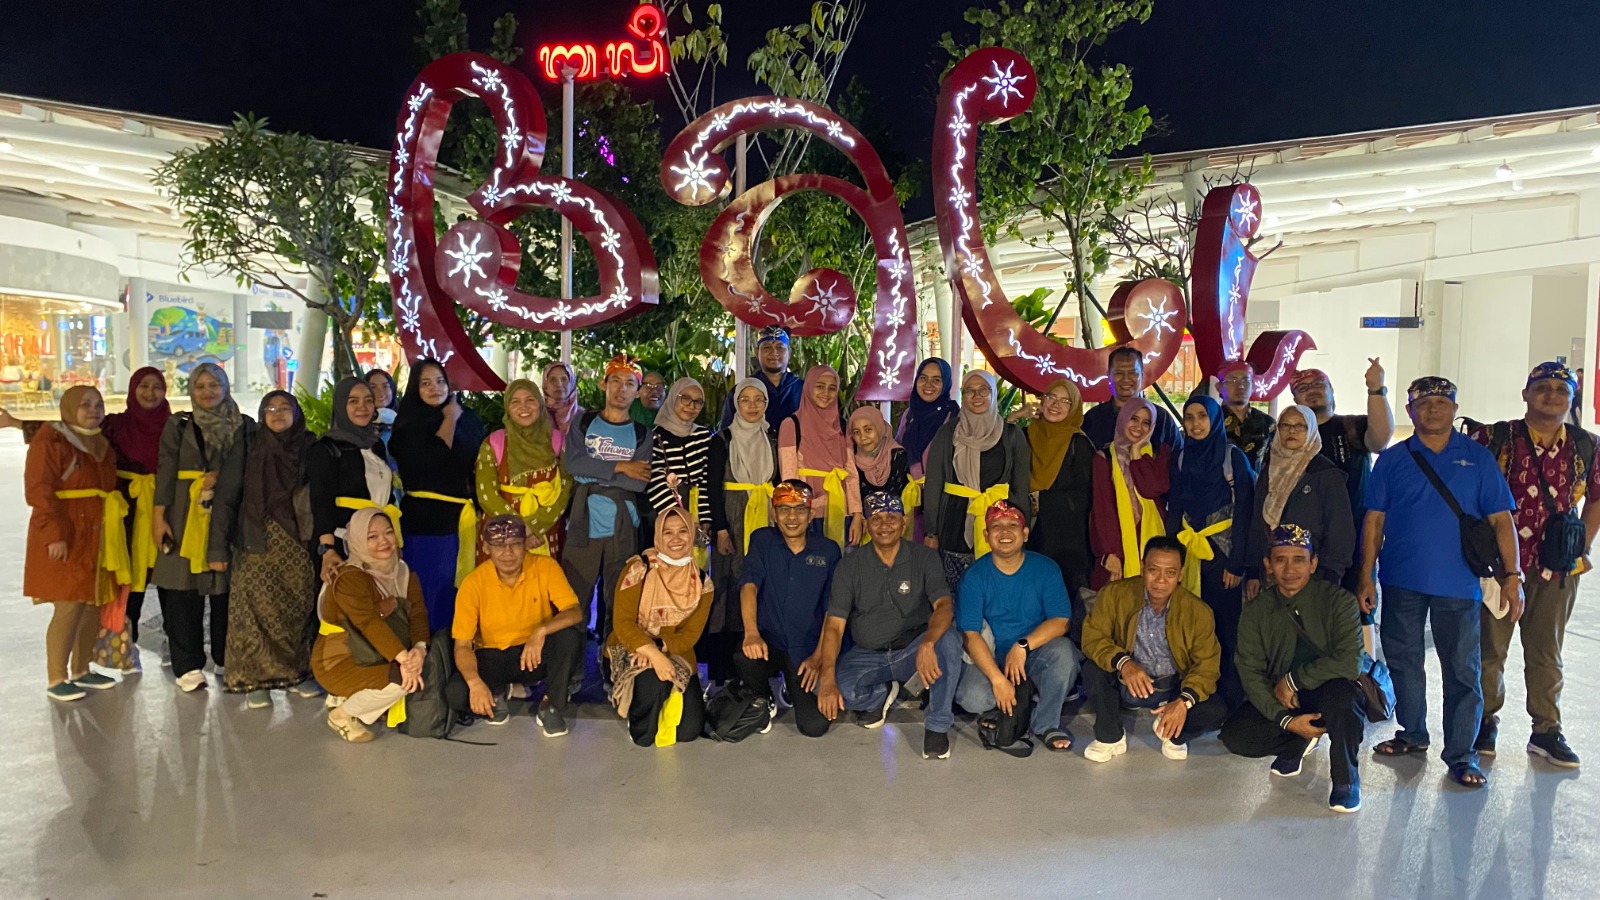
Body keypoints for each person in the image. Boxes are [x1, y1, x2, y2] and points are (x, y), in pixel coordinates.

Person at [1359, 376, 1521, 789]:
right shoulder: (1392, 460)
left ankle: (1462, 754)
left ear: (1454, 408)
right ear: (1410, 411)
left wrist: (1512, 576)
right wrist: (1367, 576)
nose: (1433, 410)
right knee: (1403, 661)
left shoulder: (1477, 458)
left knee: (1462, 670)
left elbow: (1502, 520)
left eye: (1442, 403)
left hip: (1459, 584)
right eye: (1424, 403)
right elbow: (1374, 521)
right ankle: (1413, 732)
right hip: (1401, 580)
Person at [1466, 362, 1595, 767]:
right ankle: (1483, 721)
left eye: (1561, 389)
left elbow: (1597, 497)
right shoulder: (1495, 438)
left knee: (1546, 652)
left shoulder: (1586, 445)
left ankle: (1546, 730)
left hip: (1557, 568)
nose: (1552, 395)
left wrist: (1580, 545)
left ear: (1572, 397)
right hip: (1499, 567)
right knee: (1490, 650)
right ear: (1526, 393)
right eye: (1543, 387)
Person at [1221, 525, 1365, 813]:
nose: (1289, 569)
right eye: (1280, 560)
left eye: (1299, 560)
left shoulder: (1339, 602)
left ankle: (1346, 779)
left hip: (1329, 689)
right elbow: (1250, 672)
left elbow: (1350, 662)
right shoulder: (1256, 611)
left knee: (1345, 701)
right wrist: (1285, 720)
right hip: (1284, 699)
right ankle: (1298, 739)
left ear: (1313, 564)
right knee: (1236, 736)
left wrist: (1294, 680)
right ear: (1268, 564)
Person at [815, 492, 964, 760]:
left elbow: (944, 605)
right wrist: (827, 677)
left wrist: (928, 642)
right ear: (866, 524)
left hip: (913, 649)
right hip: (868, 654)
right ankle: (881, 694)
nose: (884, 525)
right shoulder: (849, 565)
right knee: (831, 688)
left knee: (949, 640)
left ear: (904, 522)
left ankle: (937, 726)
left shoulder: (924, 557)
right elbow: (835, 626)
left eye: (892, 518)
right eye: (876, 519)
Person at [209, 392, 321, 707]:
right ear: (262, 414)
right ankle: (256, 682)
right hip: (255, 542)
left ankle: (297, 674)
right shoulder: (248, 445)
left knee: (297, 612)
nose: (277, 413)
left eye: (285, 408)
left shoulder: (309, 446)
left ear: (297, 413)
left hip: (297, 544)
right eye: (271, 408)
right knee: (253, 615)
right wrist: (217, 549)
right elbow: (226, 497)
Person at [1080, 535, 1227, 762]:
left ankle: (1172, 731)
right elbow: (1092, 637)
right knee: (1093, 669)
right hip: (1126, 683)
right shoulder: (1114, 594)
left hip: (1172, 688)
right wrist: (1124, 663)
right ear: (1142, 568)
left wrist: (1183, 702)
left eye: (1170, 573)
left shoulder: (1198, 611)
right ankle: (1110, 736)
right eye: (1153, 570)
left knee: (1217, 709)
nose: (1160, 580)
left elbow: (1207, 665)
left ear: (1181, 575)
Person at [954, 501, 1081, 752]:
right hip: (990, 656)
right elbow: (970, 634)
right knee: (972, 698)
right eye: (996, 526)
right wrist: (997, 680)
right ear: (986, 535)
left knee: (1064, 654)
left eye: (1012, 525)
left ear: (1025, 533)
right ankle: (1007, 705)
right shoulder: (974, 576)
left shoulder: (1045, 569)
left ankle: (1045, 723)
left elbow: (1061, 621)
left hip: (1031, 654)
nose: (1004, 532)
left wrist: (1023, 646)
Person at [152, 363, 248, 693]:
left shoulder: (242, 426)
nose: (208, 392)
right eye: (200, 386)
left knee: (225, 588)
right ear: (191, 390)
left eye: (214, 385)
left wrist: (223, 477)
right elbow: (165, 470)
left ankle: (225, 656)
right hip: (183, 513)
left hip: (226, 514)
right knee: (182, 588)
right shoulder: (178, 425)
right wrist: (159, 516)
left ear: (226, 387)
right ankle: (187, 664)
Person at [25, 386, 126, 701]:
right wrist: (53, 534)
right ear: (69, 408)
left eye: (98, 404)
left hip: (97, 533)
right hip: (67, 532)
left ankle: (81, 669)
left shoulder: (100, 442)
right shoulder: (51, 441)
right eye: (85, 405)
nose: (93, 410)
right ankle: (57, 676)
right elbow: (39, 489)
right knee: (68, 604)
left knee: (92, 602)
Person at [447, 515, 585, 735]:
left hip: (533, 655)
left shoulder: (545, 566)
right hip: (493, 655)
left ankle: (550, 704)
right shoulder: (473, 582)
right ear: (486, 547)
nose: (508, 553)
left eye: (515, 544)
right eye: (499, 546)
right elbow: (462, 646)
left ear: (525, 544)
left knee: (569, 637)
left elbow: (574, 611)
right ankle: (501, 690)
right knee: (456, 694)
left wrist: (540, 632)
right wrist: (475, 684)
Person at [1166, 395, 1257, 709]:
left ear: (1215, 419)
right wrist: (1172, 558)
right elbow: (1175, 508)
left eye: (1202, 416)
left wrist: (1237, 564)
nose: (1195, 424)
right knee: (1192, 624)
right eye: (1189, 418)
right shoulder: (1182, 457)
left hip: (1223, 556)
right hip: (1191, 554)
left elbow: (1245, 512)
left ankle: (1229, 695)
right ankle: (1195, 689)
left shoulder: (1233, 458)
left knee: (1225, 626)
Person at [733, 480, 841, 737]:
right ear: (774, 513)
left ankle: (790, 688)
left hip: (805, 649)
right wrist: (751, 633)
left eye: (799, 509)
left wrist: (819, 657)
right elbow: (749, 586)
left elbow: (833, 610)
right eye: (784, 509)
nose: (792, 517)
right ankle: (763, 696)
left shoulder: (828, 550)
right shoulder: (762, 540)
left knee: (814, 726)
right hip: (768, 641)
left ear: (811, 514)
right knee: (744, 657)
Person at [311, 509, 429, 743]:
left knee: (416, 668)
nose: (383, 541)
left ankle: (354, 698)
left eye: (388, 533)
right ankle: (342, 715)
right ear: (357, 541)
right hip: (340, 659)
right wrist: (405, 661)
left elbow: (418, 613)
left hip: (376, 653)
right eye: (372, 537)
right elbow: (368, 623)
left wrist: (419, 648)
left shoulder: (403, 571)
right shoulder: (349, 577)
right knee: (403, 679)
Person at [605, 506, 714, 747]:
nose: (676, 539)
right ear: (658, 536)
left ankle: (664, 695)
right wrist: (651, 653)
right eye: (668, 532)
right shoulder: (639, 569)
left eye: (683, 531)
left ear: (692, 534)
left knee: (689, 730)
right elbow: (622, 622)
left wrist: (658, 647)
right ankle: (638, 722)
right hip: (630, 646)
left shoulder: (703, 583)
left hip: (675, 651)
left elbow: (689, 636)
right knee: (650, 693)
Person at [390, 358, 487, 630]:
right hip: (425, 524)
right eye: (426, 383)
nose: (435, 388)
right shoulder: (408, 424)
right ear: (415, 388)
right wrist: (449, 418)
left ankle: (459, 645)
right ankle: (426, 646)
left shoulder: (468, 419)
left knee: (461, 589)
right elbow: (435, 458)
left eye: (440, 381)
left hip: (463, 521)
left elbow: (478, 464)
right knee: (428, 592)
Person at [564, 354, 652, 647]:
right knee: (574, 596)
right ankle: (570, 668)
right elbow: (573, 464)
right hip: (584, 520)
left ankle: (613, 665)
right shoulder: (583, 421)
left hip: (622, 523)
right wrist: (621, 466)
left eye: (629, 383)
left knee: (619, 598)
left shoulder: (641, 434)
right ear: (604, 384)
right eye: (615, 381)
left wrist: (597, 471)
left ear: (637, 392)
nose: (621, 389)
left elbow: (638, 482)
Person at [1289, 359, 1394, 598]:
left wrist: (1376, 390)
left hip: (1354, 540)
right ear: (1295, 399)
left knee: (1354, 608)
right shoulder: (1288, 434)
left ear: (1331, 390)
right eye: (1303, 388)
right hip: (1302, 542)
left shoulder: (1352, 426)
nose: (1312, 390)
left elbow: (1380, 441)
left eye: (1318, 384)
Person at [923, 370, 1031, 587]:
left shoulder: (1011, 435)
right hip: (954, 522)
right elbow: (934, 483)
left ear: (993, 394)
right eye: (969, 391)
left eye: (983, 390)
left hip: (1000, 522)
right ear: (962, 395)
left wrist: (1021, 526)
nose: (977, 396)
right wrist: (931, 530)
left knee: (997, 586)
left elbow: (1021, 486)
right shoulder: (948, 433)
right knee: (956, 589)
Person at [708, 378, 781, 686]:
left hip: (765, 518)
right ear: (735, 404)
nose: (752, 406)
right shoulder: (722, 439)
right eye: (745, 400)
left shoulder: (772, 437)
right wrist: (721, 530)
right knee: (728, 589)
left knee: (765, 585)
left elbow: (779, 482)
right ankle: (725, 670)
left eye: (758, 400)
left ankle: (762, 664)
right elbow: (712, 488)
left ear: (766, 404)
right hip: (733, 518)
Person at [1245, 404, 1356, 597]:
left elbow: (1340, 529)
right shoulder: (1270, 469)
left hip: (1314, 575)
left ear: (1311, 430)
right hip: (1271, 573)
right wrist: (1254, 570)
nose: (1292, 431)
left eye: (1300, 426)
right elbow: (1257, 520)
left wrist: (1330, 575)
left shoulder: (1325, 473)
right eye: (1285, 425)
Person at [99, 366, 170, 664]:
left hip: (168, 508)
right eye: (144, 386)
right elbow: (73, 432)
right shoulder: (114, 425)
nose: (150, 393)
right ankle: (124, 649)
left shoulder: (176, 427)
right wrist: (18, 423)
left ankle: (177, 646)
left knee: (170, 579)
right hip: (127, 514)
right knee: (129, 582)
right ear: (132, 389)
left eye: (157, 387)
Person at [306, 377, 396, 583]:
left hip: (380, 545)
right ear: (340, 405)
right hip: (344, 544)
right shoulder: (326, 448)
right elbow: (321, 502)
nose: (362, 407)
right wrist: (327, 549)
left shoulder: (376, 445)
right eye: (353, 401)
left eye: (368, 400)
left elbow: (386, 497)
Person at [1025, 379, 1096, 639]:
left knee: (1063, 614)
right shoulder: (1026, 435)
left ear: (1074, 407)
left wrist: (1043, 500)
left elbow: (1086, 496)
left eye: (1064, 401)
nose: (1055, 405)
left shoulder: (1079, 444)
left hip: (1066, 545)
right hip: (1030, 539)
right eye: (1051, 397)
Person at [474, 378, 571, 558]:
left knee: (545, 576)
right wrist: (520, 529)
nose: (523, 407)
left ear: (540, 404)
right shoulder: (493, 443)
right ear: (508, 408)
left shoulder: (558, 441)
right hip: (502, 536)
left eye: (530, 400)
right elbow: (486, 495)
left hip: (545, 534)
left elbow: (565, 489)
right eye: (515, 402)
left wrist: (535, 527)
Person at [1089, 398, 1171, 589]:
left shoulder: (1158, 454)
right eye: (1134, 418)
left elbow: (1151, 489)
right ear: (1123, 419)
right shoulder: (1104, 458)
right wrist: (1111, 552)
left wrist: (1136, 453)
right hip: (1118, 542)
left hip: (1151, 540)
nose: (1139, 427)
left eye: (1146, 422)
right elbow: (1103, 508)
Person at [779, 365, 863, 547]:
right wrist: (795, 514)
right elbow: (789, 476)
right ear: (809, 387)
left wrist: (857, 514)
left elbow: (851, 473)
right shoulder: (791, 424)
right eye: (819, 386)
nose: (826, 393)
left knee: (842, 561)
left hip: (841, 510)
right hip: (808, 513)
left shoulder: (843, 426)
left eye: (832, 388)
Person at [1082, 346, 1184, 452]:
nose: (1126, 379)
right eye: (1119, 373)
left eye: (1132, 373)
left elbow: (1178, 456)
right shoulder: (1093, 419)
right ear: (1109, 375)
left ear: (1142, 375)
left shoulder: (1161, 418)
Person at [646, 376, 713, 536]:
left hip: (700, 512)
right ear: (672, 397)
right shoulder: (655, 438)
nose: (691, 406)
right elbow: (655, 483)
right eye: (685, 398)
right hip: (668, 516)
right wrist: (681, 519)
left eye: (698, 402)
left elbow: (706, 479)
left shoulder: (703, 435)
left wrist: (706, 519)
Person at [718, 325, 803, 432]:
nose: (774, 352)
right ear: (757, 352)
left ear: (789, 353)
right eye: (767, 347)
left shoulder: (803, 390)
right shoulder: (741, 391)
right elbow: (725, 433)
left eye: (780, 347)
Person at [850, 405, 910, 510]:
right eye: (856, 432)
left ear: (880, 428)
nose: (863, 437)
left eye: (868, 429)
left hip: (894, 518)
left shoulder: (897, 455)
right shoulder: (852, 459)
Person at [1218, 361, 1275, 470]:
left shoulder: (1268, 423)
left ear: (1253, 386)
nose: (1240, 386)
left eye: (1246, 380)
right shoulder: (1210, 421)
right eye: (1233, 380)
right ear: (1219, 387)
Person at [543, 361, 583, 457]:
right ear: (545, 385)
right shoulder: (538, 415)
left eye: (564, 379)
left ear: (571, 384)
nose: (559, 384)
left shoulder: (583, 417)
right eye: (553, 379)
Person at [365, 367, 400, 456]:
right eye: (373, 387)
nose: (380, 392)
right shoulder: (357, 426)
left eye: (385, 386)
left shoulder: (404, 420)